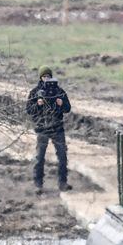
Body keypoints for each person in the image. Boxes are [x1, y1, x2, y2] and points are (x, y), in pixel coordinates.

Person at [26, 66, 71, 195]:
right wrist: (37, 104)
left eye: (48, 76)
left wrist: (61, 103)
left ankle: (63, 183)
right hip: (42, 128)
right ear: (40, 77)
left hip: (57, 128)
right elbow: (29, 110)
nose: (46, 79)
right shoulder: (35, 92)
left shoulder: (59, 91)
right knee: (39, 158)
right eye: (44, 76)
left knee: (62, 157)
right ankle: (38, 184)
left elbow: (68, 108)